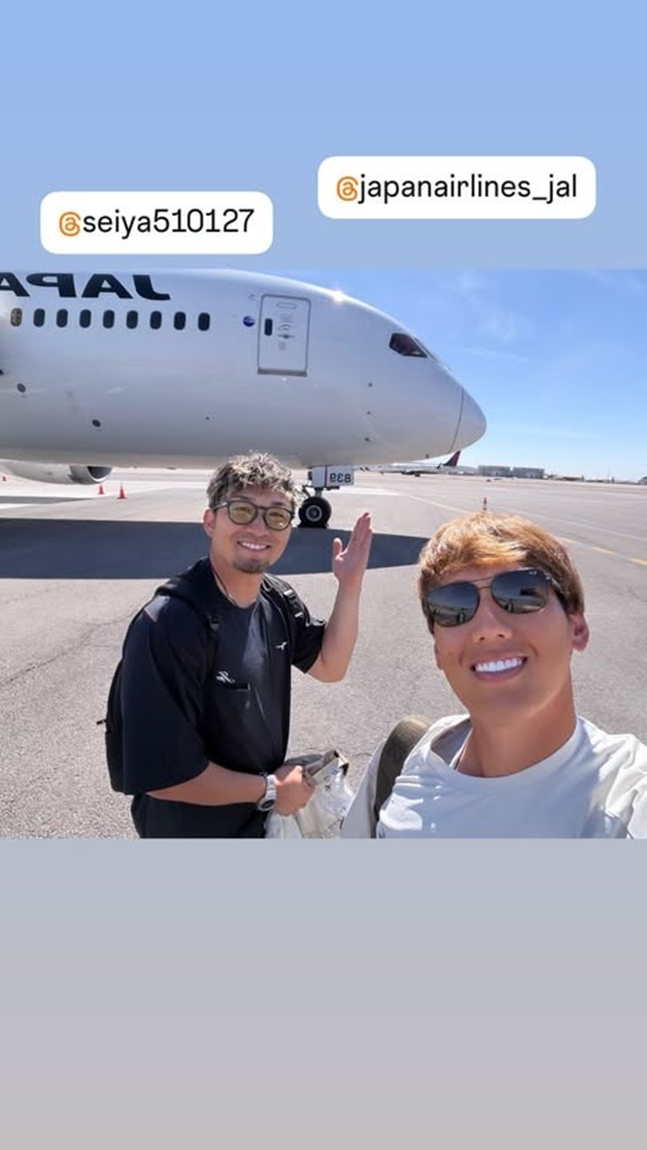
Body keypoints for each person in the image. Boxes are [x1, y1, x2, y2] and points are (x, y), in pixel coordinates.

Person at [341, 511, 647, 838]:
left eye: (521, 595)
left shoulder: (625, 799)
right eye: (453, 607)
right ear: (437, 651)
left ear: (577, 628)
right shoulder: (404, 757)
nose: (487, 629)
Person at [119, 451, 373, 837]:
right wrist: (272, 789)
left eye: (276, 516)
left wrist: (350, 586)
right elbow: (162, 775)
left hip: (256, 822)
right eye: (241, 511)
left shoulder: (276, 599)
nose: (259, 528)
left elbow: (329, 666)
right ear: (210, 521)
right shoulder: (171, 623)